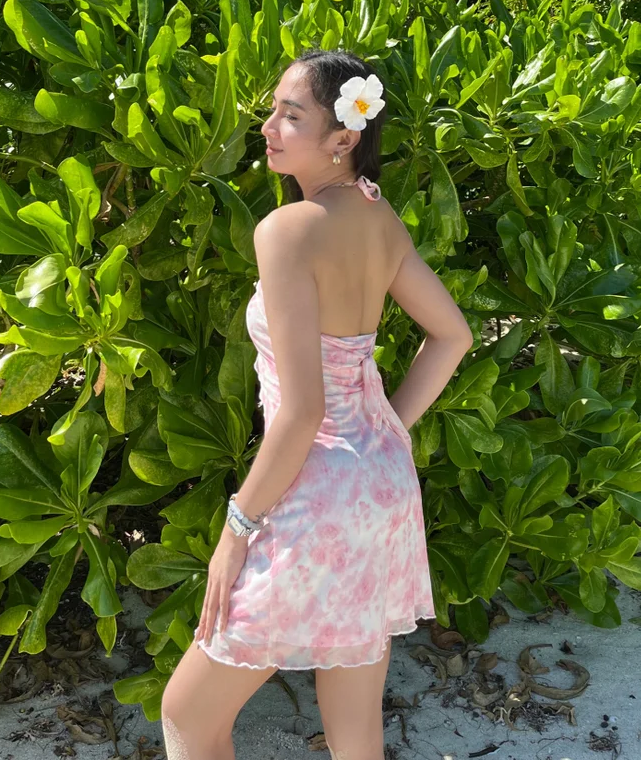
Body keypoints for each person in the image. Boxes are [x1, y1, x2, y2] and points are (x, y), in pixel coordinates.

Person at [161, 48, 475, 760]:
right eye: (272, 110)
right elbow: (452, 335)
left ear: (343, 137)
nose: (267, 127)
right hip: (382, 487)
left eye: (290, 115)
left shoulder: (286, 230)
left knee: (187, 714)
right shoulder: (377, 214)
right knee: (354, 728)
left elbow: (302, 413)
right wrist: (382, 430)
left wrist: (236, 528)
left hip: (315, 495)